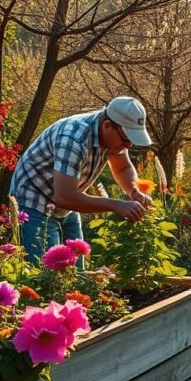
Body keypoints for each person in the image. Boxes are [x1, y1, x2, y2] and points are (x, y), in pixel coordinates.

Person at [10, 96, 154, 264]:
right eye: (126, 140)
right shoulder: (74, 138)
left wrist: (133, 190)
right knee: (44, 272)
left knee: (77, 271)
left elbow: (123, 168)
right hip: (34, 201)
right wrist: (115, 205)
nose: (128, 146)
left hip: (68, 203)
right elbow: (64, 197)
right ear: (107, 126)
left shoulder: (114, 136)